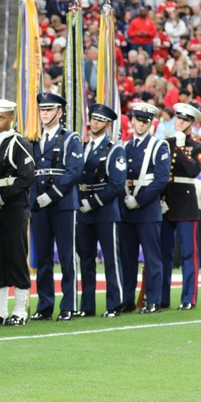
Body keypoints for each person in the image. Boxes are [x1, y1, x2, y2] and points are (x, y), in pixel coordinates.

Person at [30, 92, 84, 321]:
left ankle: (69, 305)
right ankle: (44, 305)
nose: (44, 113)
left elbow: (74, 171)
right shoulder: (34, 137)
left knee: (66, 257)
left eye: (49, 109)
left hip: (62, 204)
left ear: (60, 112)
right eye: (42, 109)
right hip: (39, 206)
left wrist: (51, 195)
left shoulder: (71, 138)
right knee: (42, 258)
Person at [0, 99, 35, 326]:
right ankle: (1, 311)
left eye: (1, 117)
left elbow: (26, 178)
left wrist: (2, 199)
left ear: (11, 118)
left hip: (13, 207)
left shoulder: (20, 143)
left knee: (16, 256)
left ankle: (20, 310)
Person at [117, 101, 171, 315]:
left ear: (151, 124)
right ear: (132, 120)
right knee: (127, 259)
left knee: (152, 258)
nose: (141, 125)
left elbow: (160, 180)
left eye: (145, 121)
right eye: (138, 120)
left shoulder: (159, 146)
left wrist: (138, 200)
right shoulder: (124, 147)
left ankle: (154, 300)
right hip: (126, 211)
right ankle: (127, 299)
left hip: (147, 210)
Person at [75, 104, 126, 318]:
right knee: (85, 259)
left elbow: (116, 184)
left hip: (104, 211)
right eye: (93, 118)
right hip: (83, 210)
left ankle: (116, 303)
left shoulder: (115, 149)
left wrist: (93, 202)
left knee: (111, 260)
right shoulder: (82, 146)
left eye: (99, 119)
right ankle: (87, 306)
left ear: (108, 124)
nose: (94, 122)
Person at [158, 103, 201, 311]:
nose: (179, 122)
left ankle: (189, 297)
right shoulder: (165, 143)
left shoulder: (199, 147)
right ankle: (162, 298)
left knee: (188, 253)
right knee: (164, 254)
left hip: (186, 204)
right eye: (178, 118)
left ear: (191, 124)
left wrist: (179, 147)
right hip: (166, 202)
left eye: (185, 120)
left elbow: (193, 170)